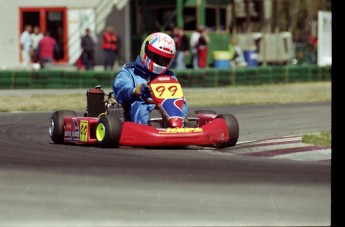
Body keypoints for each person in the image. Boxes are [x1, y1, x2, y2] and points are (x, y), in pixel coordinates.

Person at [112, 32, 188, 125]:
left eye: (165, 60)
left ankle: (182, 126)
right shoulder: (129, 72)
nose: (160, 63)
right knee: (141, 108)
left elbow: (178, 97)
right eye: (157, 58)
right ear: (146, 52)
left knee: (183, 109)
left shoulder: (169, 76)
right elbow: (120, 92)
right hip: (136, 112)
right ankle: (152, 125)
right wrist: (135, 91)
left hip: (165, 109)